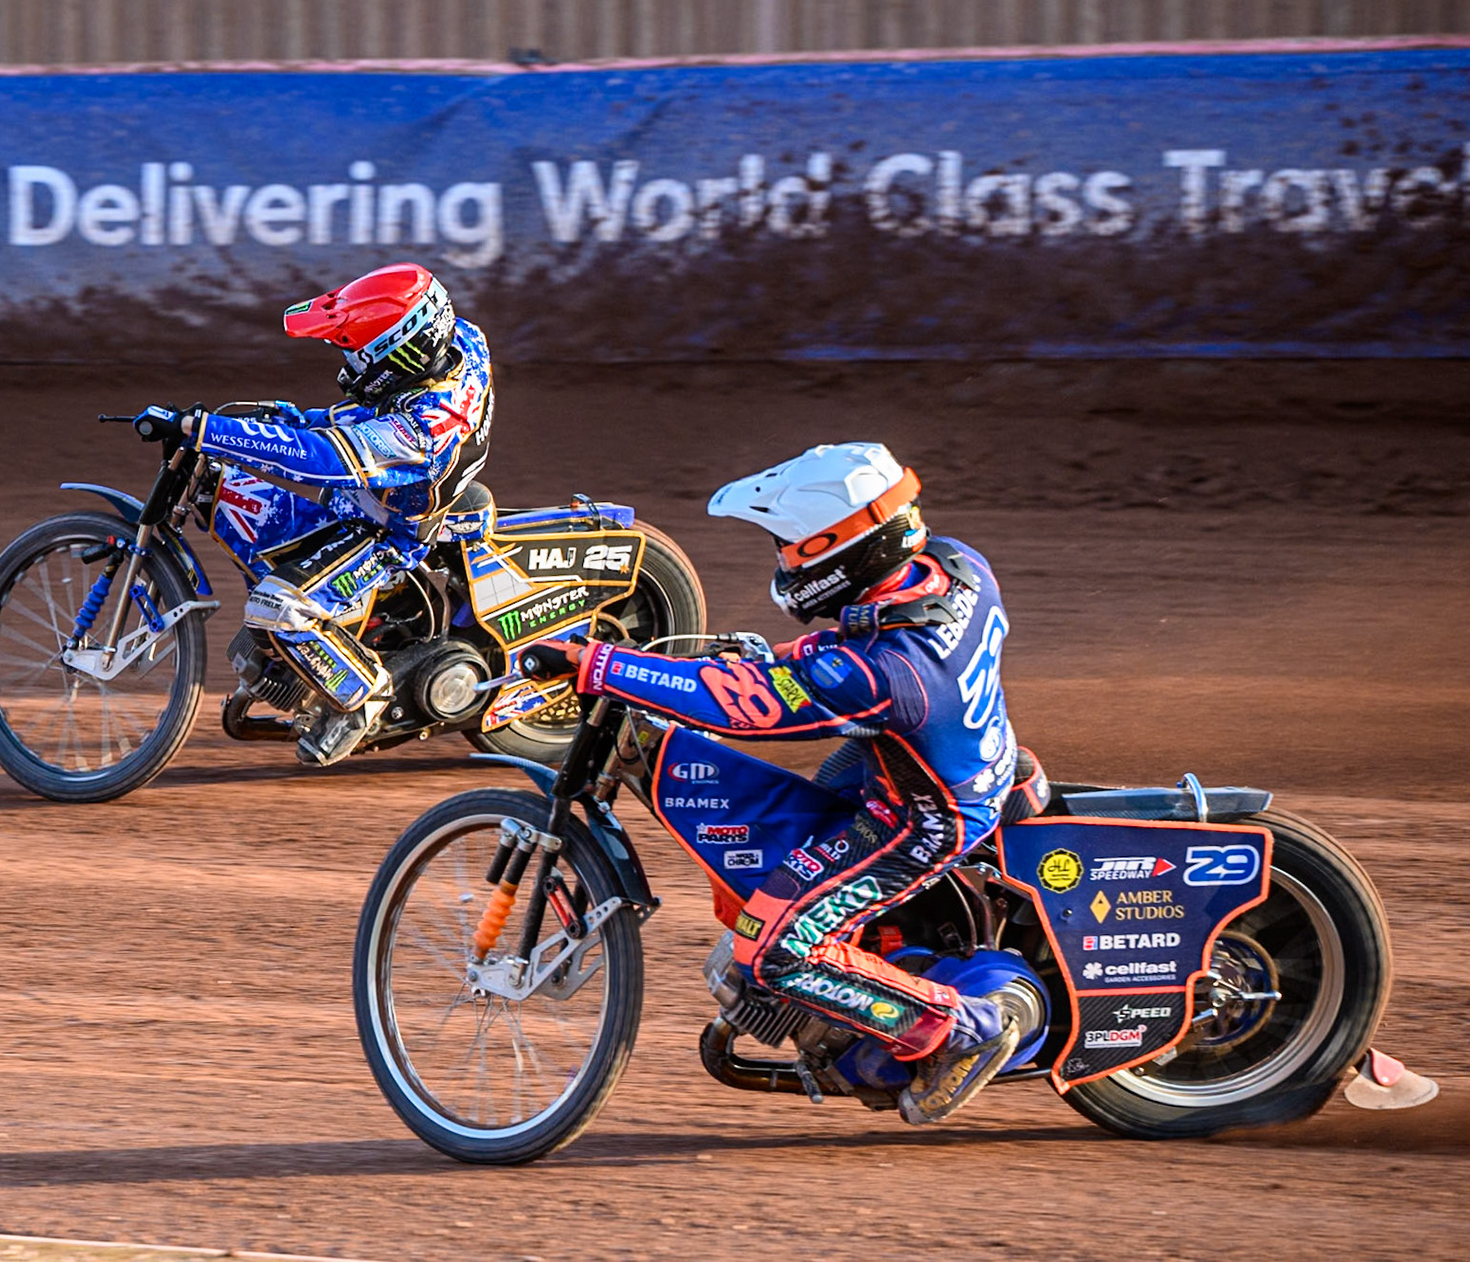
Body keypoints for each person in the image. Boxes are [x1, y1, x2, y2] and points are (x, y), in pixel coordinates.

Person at [529, 443, 1034, 1124]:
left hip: (923, 819)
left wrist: (599, 663)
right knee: (820, 784)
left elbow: (743, 704)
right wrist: (788, 656)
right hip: (956, 756)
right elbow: (855, 643)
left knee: (775, 947)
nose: (785, 560)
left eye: (794, 547)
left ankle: (965, 1026)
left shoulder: (888, 675)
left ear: (845, 546)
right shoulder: (955, 564)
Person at [150, 262, 493, 765]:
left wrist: (211, 431)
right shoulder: (462, 341)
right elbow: (346, 421)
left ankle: (363, 700)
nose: (349, 363)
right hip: (378, 483)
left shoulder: (421, 432)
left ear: (400, 355)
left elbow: (323, 460)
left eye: (358, 353)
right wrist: (278, 416)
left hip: (386, 531)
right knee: (254, 474)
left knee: (276, 606)